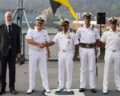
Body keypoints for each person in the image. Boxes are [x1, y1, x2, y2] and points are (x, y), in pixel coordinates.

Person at [46, 19, 79, 93]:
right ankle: (60, 86)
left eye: (65, 25)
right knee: (61, 70)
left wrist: (76, 55)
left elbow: (77, 45)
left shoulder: (72, 35)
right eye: (62, 25)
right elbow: (52, 42)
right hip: (61, 54)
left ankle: (68, 87)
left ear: (68, 26)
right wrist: (45, 44)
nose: (64, 27)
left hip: (69, 54)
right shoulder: (58, 34)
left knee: (69, 71)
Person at [76, 12, 100, 93]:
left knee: (91, 68)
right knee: (83, 68)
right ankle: (82, 86)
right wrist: (78, 49)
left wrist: (97, 49)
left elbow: (97, 40)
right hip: (82, 49)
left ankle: (92, 87)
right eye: (86, 19)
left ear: (90, 19)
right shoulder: (80, 29)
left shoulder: (95, 29)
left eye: (88, 19)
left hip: (91, 49)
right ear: (84, 20)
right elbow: (77, 39)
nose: (87, 20)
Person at [26, 16, 50, 94]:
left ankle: (46, 87)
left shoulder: (45, 31)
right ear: (36, 23)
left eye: (41, 23)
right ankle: (31, 87)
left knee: (44, 70)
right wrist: (38, 44)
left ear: (43, 23)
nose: (39, 24)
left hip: (42, 53)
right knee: (32, 70)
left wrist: (48, 52)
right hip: (33, 52)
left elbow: (46, 42)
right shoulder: (31, 30)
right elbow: (28, 40)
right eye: (38, 22)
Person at [0, 11, 21, 95]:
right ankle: (2, 88)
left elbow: (18, 42)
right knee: (2, 72)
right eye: (7, 16)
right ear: (5, 17)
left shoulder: (17, 28)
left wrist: (18, 54)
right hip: (2, 53)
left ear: (12, 17)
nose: (9, 17)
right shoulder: (0, 28)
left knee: (12, 71)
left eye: (10, 16)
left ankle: (12, 88)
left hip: (12, 53)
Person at [100, 17, 120, 94]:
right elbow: (101, 43)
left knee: (117, 70)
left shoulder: (119, 33)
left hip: (117, 52)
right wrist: (101, 53)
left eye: (114, 23)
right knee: (107, 71)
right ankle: (105, 88)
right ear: (110, 24)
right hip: (109, 52)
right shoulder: (106, 33)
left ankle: (118, 86)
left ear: (116, 24)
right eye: (112, 23)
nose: (113, 25)